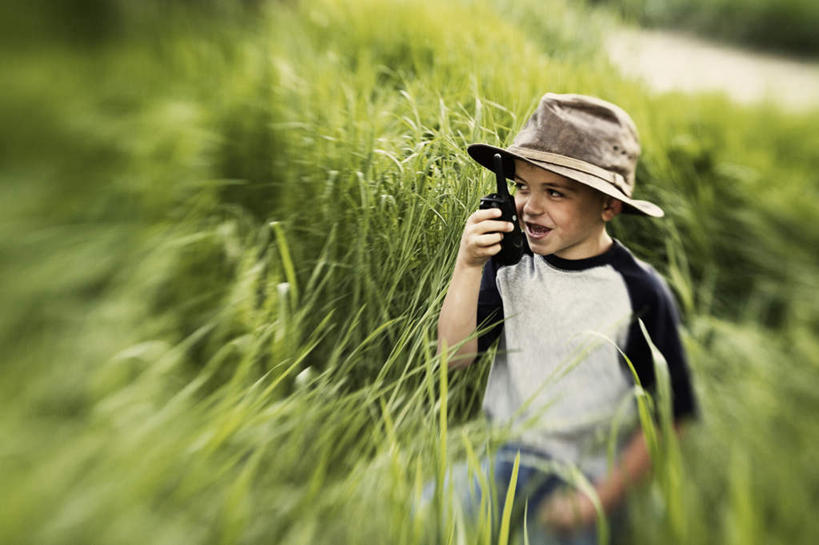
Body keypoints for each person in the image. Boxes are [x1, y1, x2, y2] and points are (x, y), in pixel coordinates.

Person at [436, 93, 697, 544]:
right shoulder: (509, 263)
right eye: (522, 187)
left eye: (555, 192)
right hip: (506, 458)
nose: (530, 207)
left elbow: (671, 415)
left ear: (608, 206)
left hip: (590, 477)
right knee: (425, 519)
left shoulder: (639, 292)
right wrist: (468, 265)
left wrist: (598, 499)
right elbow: (454, 358)